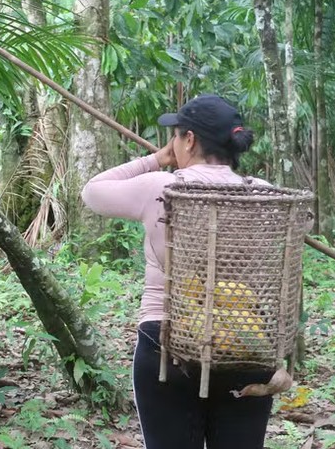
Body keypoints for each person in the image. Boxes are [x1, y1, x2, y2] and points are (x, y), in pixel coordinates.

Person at [81, 94, 275, 449]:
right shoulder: (264, 194)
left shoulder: (162, 187)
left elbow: (92, 192)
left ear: (189, 140)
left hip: (167, 342)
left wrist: (156, 159)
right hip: (243, 341)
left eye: (176, 134)